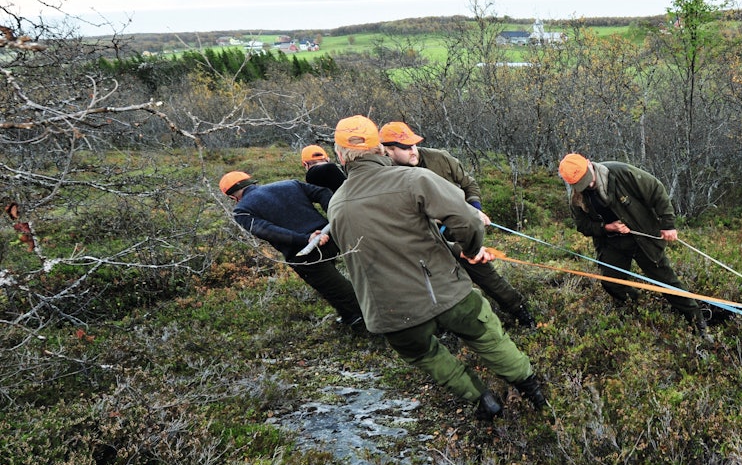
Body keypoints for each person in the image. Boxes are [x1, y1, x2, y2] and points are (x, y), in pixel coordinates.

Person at [328, 115, 546, 422]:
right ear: (380, 149)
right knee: (487, 336)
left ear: (339, 155)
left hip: (392, 313)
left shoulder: (336, 204)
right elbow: (468, 220)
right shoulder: (412, 180)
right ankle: (532, 390)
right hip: (445, 292)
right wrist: (470, 251)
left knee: (424, 354)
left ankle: (482, 399)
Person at [379, 121, 536, 328]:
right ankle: (446, 328)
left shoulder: (440, 158)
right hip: (422, 242)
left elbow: (468, 184)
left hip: (458, 232)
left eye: (414, 145)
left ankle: (520, 311)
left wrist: (474, 208)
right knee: (433, 286)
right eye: (406, 147)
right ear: (388, 150)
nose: (413, 151)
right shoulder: (384, 176)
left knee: (485, 274)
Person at [557, 152, 706, 332]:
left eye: (587, 179)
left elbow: (655, 190)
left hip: (643, 239)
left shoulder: (621, 173)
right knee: (611, 282)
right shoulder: (577, 198)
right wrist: (607, 227)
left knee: (666, 282)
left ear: (589, 164)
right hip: (612, 244)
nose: (588, 185)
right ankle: (638, 307)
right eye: (581, 184)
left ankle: (698, 322)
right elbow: (583, 225)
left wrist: (668, 224)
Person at [218, 170, 365, 335]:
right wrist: (334, 219)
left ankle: (368, 324)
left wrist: (305, 239)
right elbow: (323, 193)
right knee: (335, 284)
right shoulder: (289, 183)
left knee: (335, 289)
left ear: (232, 197)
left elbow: (267, 231)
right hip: (330, 237)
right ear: (251, 181)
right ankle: (350, 317)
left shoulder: (241, 210)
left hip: (304, 254)